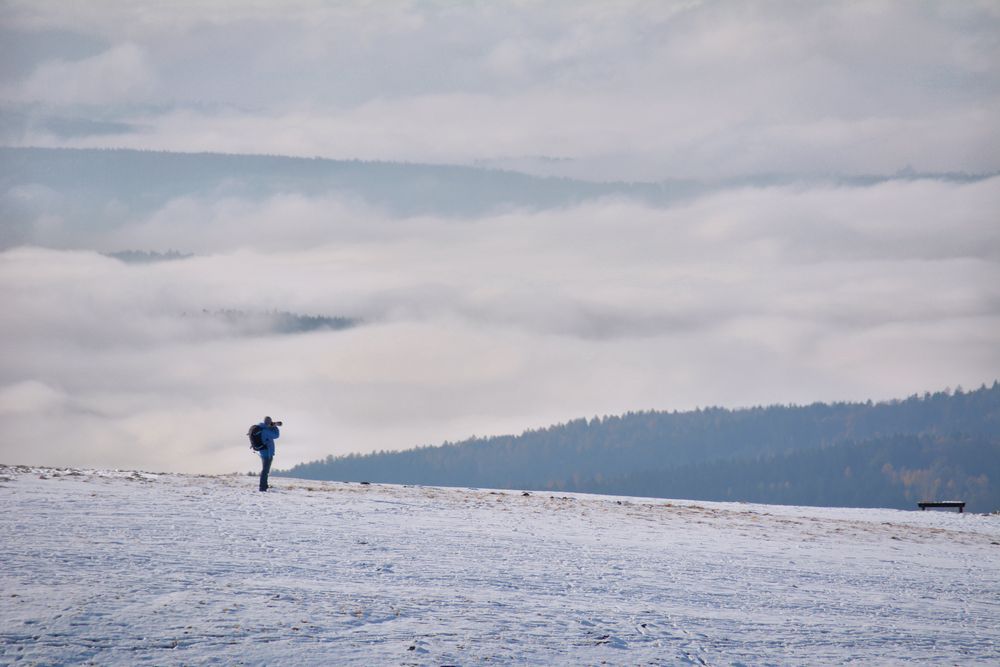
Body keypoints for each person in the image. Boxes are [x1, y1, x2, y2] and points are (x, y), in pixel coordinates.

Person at [256, 416, 281, 492]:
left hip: (263, 451)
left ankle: (264, 485)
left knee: (265, 470)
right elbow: (276, 435)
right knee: (265, 471)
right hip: (267, 452)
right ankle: (262, 487)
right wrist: (275, 427)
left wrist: (271, 426)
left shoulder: (261, 427)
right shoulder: (265, 430)